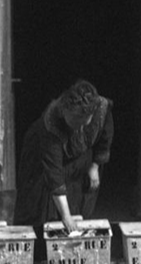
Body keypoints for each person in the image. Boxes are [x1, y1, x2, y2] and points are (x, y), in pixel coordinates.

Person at [15, 80, 113, 234]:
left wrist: (94, 166)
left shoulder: (100, 108)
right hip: (41, 158)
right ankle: (40, 249)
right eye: (75, 122)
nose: (80, 128)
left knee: (81, 195)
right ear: (65, 111)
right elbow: (53, 173)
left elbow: (104, 138)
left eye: (84, 123)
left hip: (79, 155)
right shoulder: (50, 124)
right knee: (40, 204)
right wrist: (66, 216)